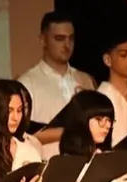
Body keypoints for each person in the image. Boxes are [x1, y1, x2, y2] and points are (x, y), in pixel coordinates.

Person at [18, 11, 96, 158]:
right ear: (43, 40)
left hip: (85, 166)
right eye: (59, 39)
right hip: (47, 167)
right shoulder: (28, 84)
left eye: (71, 39)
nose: (67, 45)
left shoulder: (85, 80)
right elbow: (23, 136)